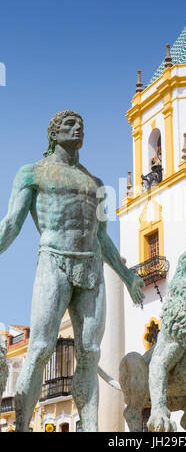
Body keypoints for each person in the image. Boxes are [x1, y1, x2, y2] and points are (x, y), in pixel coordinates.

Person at [0, 110, 145, 432]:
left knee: (90, 352)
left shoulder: (97, 184)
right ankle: (22, 426)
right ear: (53, 134)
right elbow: (11, 223)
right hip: (54, 260)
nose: (77, 128)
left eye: (80, 125)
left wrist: (128, 275)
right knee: (39, 347)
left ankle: (91, 428)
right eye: (69, 125)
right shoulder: (32, 173)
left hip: (91, 265)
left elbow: (103, 237)